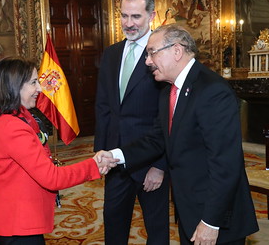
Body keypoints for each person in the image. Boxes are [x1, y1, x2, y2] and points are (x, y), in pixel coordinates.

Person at [96, 24, 259, 245]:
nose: (147, 61)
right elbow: (156, 139)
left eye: (152, 52)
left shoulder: (212, 91)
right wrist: (115, 155)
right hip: (188, 209)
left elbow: (226, 164)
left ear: (177, 51)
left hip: (217, 217)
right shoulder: (168, 92)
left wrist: (211, 222)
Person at [0, 57, 118, 245]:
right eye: (33, 82)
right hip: (18, 225)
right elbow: (52, 177)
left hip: (18, 219)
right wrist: (93, 165)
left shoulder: (14, 117)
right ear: (14, 86)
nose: (39, 88)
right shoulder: (12, 127)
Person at [94, 0, 169, 245]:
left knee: (157, 232)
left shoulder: (164, 54)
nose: (129, 23)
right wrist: (102, 154)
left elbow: (169, 116)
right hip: (115, 162)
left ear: (151, 15)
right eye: (124, 16)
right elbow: (103, 107)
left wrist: (160, 166)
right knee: (113, 229)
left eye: (135, 16)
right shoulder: (111, 54)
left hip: (150, 162)